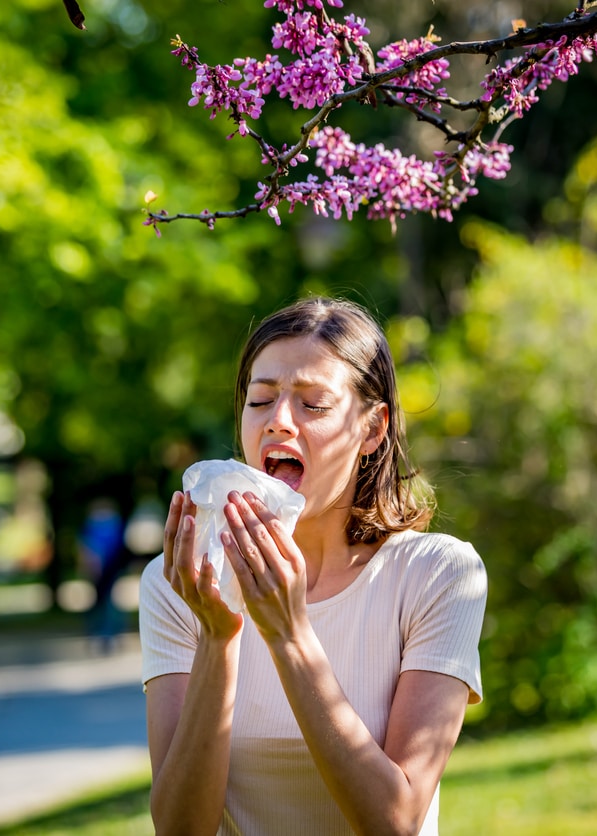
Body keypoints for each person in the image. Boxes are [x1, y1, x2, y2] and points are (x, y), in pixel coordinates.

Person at [139, 297, 487, 835]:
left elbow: (395, 823)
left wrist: (289, 633)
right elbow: (180, 830)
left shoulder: (438, 576)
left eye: (313, 405)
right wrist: (218, 635)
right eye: (260, 400)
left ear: (372, 430)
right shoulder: (180, 585)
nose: (278, 422)